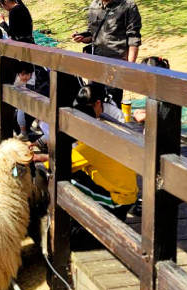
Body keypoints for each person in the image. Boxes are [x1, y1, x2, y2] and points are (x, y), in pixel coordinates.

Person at [33, 84, 139, 249]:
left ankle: (84, 233)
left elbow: (61, 164)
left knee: (63, 180)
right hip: (121, 191)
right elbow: (73, 159)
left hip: (118, 200)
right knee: (74, 177)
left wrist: (40, 163)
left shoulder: (89, 146)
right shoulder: (97, 135)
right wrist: (44, 157)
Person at [72, 0, 142, 106]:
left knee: (112, 103)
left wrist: (129, 66)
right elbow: (92, 34)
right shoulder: (94, 5)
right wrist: (81, 38)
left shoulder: (128, 5)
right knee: (93, 102)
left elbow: (133, 38)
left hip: (116, 64)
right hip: (96, 63)